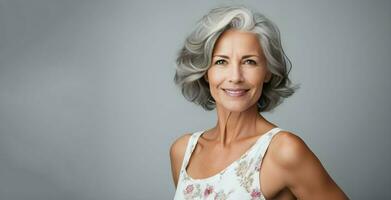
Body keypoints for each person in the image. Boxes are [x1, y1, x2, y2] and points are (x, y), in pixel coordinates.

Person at [170, 5, 348, 200]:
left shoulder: (284, 151)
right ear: (205, 72)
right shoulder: (184, 151)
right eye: (221, 61)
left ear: (268, 72)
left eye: (249, 62)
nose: (235, 77)